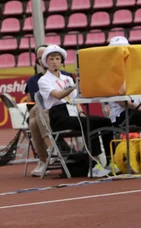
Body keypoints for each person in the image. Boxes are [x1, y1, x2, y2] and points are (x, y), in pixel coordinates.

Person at [38, 45, 115, 177]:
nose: (55, 61)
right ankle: (95, 164)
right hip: (59, 116)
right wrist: (74, 86)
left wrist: (81, 112)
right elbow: (58, 95)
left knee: (106, 121)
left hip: (74, 113)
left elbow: (76, 100)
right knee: (88, 124)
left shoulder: (67, 78)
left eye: (57, 58)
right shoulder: (44, 80)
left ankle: (109, 160)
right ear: (46, 62)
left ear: (62, 62)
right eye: (51, 59)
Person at [25, 45, 73, 176]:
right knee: (37, 113)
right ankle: (48, 153)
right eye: (39, 58)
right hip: (41, 112)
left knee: (36, 119)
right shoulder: (33, 80)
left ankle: (44, 158)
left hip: (59, 110)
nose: (42, 60)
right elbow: (29, 101)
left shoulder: (67, 77)